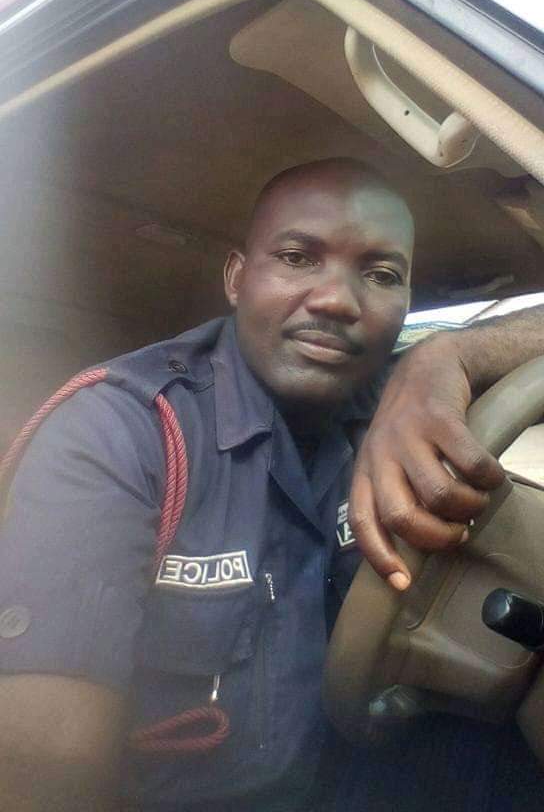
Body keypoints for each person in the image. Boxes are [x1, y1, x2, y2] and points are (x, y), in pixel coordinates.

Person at [0, 157, 542, 811]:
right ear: (237, 278)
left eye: (381, 274)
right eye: (297, 258)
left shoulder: (404, 400)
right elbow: (47, 764)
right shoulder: (121, 431)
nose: (337, 300)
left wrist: (450, 352)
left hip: (378, 762)